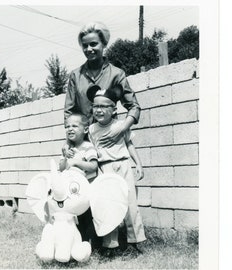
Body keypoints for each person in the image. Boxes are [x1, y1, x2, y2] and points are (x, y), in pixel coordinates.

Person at [86, 84, 146, 255]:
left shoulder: (120, 125)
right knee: (108, 205)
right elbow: (91, 150)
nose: (99, 110)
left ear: (113, 109)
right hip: (104, 169)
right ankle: (110, 245)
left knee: (130, 204)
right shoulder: (91, 129)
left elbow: (129, 144)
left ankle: (134, 243)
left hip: (123, 165)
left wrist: (138, 164)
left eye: (103, 106)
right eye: (96, 106)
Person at [64, 21, 141, 148]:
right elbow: (69, 112)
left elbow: (134, 107)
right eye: (85, 45)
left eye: (93, 44)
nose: (89, 49)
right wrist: (69, 141)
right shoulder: (75, 76)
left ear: (104, 43)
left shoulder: (117, 74)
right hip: (83, 144)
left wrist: (121, 129)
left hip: (110, 141)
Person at [59, 113, 100, 248]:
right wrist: (65, 158)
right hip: (73, 191)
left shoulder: (87, 147)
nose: (70, 129)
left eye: (75, 126)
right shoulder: (68, 149)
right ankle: (79, 245)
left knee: (89, 218)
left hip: (87, 190)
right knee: (77, 219)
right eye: (67, 126)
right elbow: (62, 168)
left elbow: (93, 166)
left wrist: (76, 162)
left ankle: (95, 247)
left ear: (85, 130)